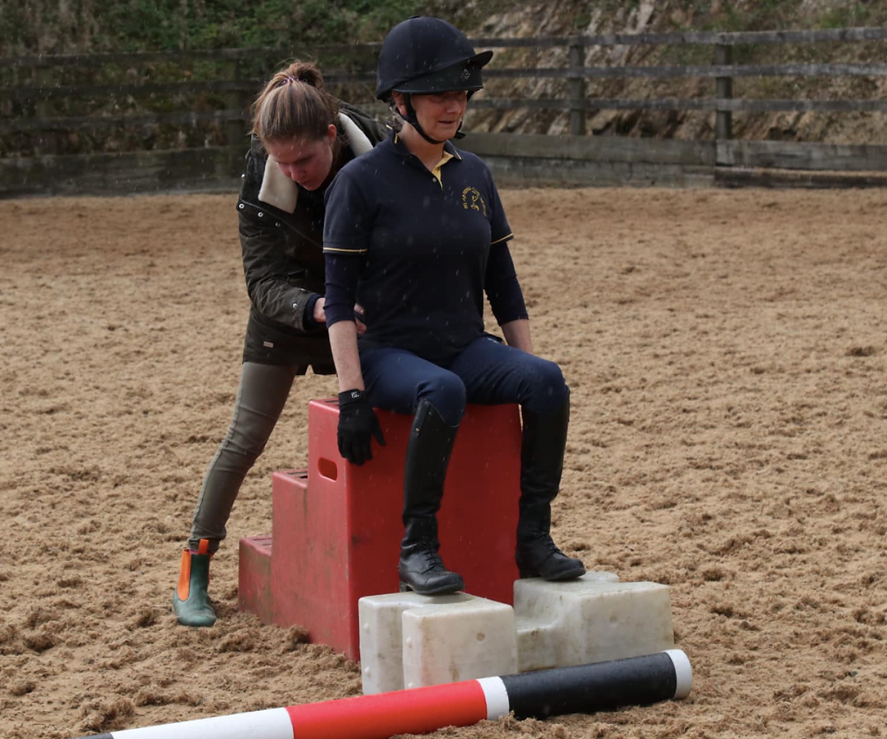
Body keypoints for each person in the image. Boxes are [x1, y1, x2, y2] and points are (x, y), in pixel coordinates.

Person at [321, 16, 586, 597]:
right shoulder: (360, 182)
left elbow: (504, 283)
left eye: (460, 94)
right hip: (389, 349)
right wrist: (352, 394)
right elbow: (338, 299)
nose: (454, 106)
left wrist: (524, 375)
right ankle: (416, 550)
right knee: (441, 390)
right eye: (439, 94)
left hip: (463, 345)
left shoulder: (477, 176)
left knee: (548, 382)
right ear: (400, 99)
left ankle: (533, 538)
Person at [172, 62, 386, 627]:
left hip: (361, 311)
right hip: (288, 312)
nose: (293, 171)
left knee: (389, 419)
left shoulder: (380, 154)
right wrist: (311, 308)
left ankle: (401, 549)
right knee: (244, 437)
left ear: (332, 137)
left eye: (304, 161)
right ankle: (193, 564)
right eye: (281, 162)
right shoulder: (260, 175)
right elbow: (261, 281)